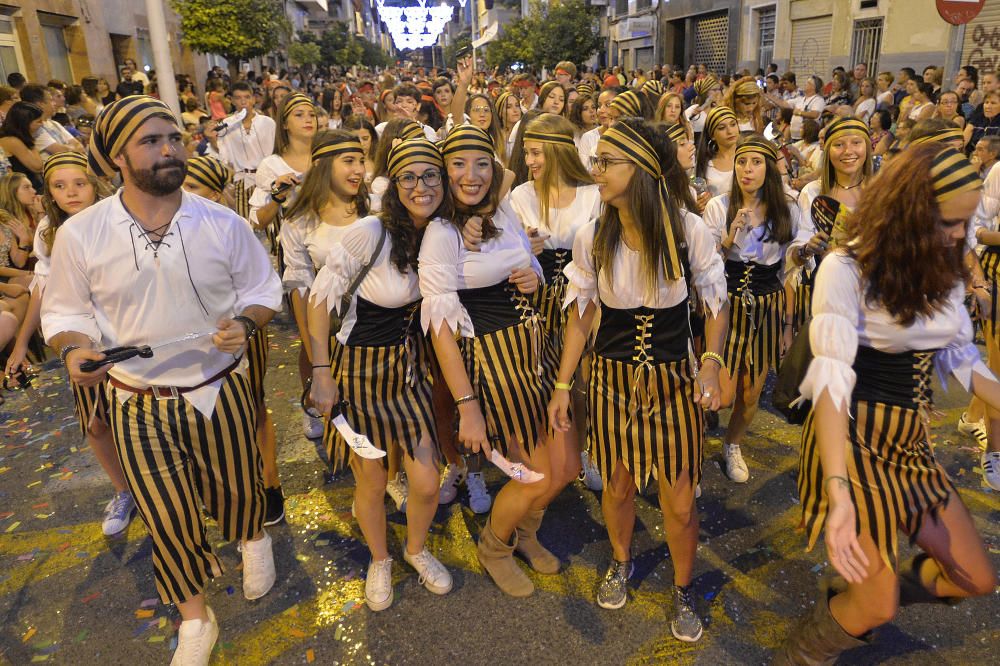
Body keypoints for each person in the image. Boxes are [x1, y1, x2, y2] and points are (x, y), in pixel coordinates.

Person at [40, 95, 283, 664]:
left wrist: (247, 322)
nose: (170, 150)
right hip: (135, 397)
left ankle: (253, 537)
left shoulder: (222, 222)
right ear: (117, 157)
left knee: (237, 485)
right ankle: (195, 616)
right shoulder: (82, 233)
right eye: (151, 142)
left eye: (173, 138)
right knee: (165, 511)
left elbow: (264, 289)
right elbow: (64, 314)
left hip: (218, 387)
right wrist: (75, 349)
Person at [778, 145, 999, 663]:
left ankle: (867, 589)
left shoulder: (938, 267)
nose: (958, 237)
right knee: (878, 608)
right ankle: (802, 654)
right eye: (948, 222)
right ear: (909, 210)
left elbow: (962, 360)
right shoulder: (846, 267)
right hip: (851, 441)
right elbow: (830, 384)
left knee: (976, 578)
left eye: (964, 224)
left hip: (909, 446)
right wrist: (838, 494)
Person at [548, 117, 728, 641]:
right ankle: (621, 561)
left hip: (673, 380)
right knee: (620, 483)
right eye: (596, 160)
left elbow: (715, 305)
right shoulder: (592, 236)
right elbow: (580, 316)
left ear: (643, 169)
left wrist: (712, 362)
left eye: (607, 162)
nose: (595, 170)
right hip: (610, 379)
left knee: (679, 497)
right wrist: (563, 386)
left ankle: (682, 586)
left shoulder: (686, 228)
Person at [308, 137, 453, 611]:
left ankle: (415, 549)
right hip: (359, 374)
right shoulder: (370, 233)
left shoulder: (444, 233)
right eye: (409, 177)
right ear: (394, 185)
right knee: (370, 481)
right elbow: (318, 300)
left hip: (409, 373)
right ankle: (379, 559)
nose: (421, 186)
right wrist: (321, 371)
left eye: (431, 175)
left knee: (427, 482)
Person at [418, 124, 551, 598]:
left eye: (481, 164)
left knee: (565, 462)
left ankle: (524, 537)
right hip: (495, 361)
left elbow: (529, 261)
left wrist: (533, 277)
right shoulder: (440, 232)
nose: (471, 175)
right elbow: (440, 330)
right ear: (443, 171)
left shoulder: (502, 210)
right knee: (539, 474)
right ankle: (494, 546)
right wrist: (467, 405)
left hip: (535, 348)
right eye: (458, 164)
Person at [3, 152, 135, 535]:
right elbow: (45, 290)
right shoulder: (49, 230)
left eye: (79, 183)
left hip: (127, 332)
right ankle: (124, 490)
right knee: (95, 421)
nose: (71, 193)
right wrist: (20, 344)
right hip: (81, 338)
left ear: (96, 184)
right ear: (49, 193)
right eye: (59, 186)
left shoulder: (120, 217)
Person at [702, 136, 815, 483]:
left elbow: (790, 266)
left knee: (751, 393)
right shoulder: (719, 207)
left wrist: (785, 326)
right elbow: (704, 266)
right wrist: (729, 237)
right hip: (727, 302)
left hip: (767, 303)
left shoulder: (788, 209)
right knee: (720, 395)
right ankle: (695, 439)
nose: (747, 170)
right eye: (741, 162)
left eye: (756, 162)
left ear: (769, 168)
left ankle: (732, 444)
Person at [504, 113, 602, 492]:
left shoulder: (593, 195)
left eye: (535, 153)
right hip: (535, 299)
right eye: (526, 153)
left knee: (581, 379)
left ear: (559, 152)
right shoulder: (521, 196)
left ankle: (584, 451)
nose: (529, 162)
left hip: (581, 301)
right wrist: (523, 250)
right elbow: (503, 255)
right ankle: (549, 452)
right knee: (541, 379)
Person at [792, 118, 874, 329]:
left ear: (868, 146)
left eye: (856, 142)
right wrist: (807, 249)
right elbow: (797, 253)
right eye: (839, 145)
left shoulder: (882, 191)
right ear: (828, 151)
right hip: (827, 291)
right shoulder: (813, 192)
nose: (848, 151)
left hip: (873, 294)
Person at [216, 81, 276, 221]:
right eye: (238, 98)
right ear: (231, 100)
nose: (243, 101)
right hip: (242, 179)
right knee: (245, 223)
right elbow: (224, 157)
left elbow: (275, 152)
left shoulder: (268, 123)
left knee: (272, 223)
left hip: (268, 178)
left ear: (253, 99)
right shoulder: (226, 125)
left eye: (247, 97)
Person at [695, 106, 740, 197]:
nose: (730, 131)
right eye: (722, 128)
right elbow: (699, 193)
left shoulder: (750, 156)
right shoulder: (704, 164)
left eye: (733, 124)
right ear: (712, 135)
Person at [0, 101, 44, 189]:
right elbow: (37, 166)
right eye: (39, 121)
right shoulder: (11, 140)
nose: (42, 124)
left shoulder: (18, 138)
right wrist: (31, 137)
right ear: (25, 124)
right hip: (21, 191)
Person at [577, 87, 619, 167]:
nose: (601, 110)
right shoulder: (588, 137)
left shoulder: (629, 137)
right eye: (599, 105)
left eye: (608, 105)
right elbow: (584, 173)